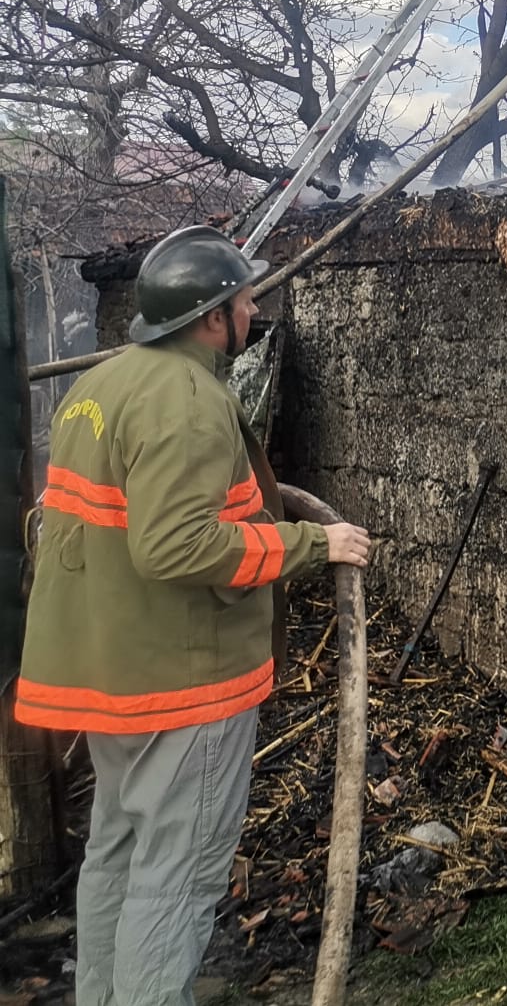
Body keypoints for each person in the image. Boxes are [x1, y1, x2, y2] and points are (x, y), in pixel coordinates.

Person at [16, 226, 371, 1006]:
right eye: (243, 301)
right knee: (176, 878)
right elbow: (175, 545)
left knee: (118, 853)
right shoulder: (190, 403)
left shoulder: (102, 385)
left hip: (114, 674)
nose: (253, 312)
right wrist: (313, 543)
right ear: (212, 317)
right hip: (183, 685)